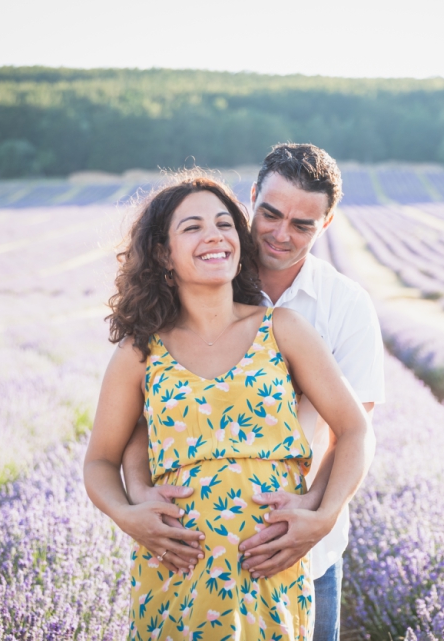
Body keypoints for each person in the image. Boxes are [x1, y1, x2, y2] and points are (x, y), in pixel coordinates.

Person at [83, 174, 375, 641]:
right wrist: (127, 514)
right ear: (163, 253)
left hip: (269, 573)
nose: (215, 235)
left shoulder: (283, 328)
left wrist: (323, 517)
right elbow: (100, 460)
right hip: (176, 575)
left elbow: (355, 430)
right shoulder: (140, 353)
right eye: (192, 227)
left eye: (224, 223)